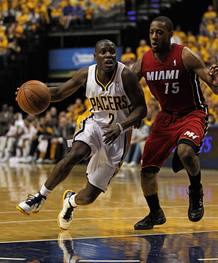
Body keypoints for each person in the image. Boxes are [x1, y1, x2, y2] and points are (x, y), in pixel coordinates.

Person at [16, 39, 147, 230]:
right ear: (95, 57)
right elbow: (59, 93)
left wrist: (121, 126)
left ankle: (71, 201)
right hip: (94, 123)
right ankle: (40, 196)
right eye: (103, 52)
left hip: (118, 133)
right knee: (75, 153)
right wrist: (27, 92)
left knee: (89, 196)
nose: (109, 55)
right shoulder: (86, 74)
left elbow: (141, 109)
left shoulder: (125, 76)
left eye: (112, 52)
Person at [132, 16, 218, 230]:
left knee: (185, 152)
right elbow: (126, 84)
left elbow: (213, 86)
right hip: (166, 116)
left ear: (170, 35)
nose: (154, 36)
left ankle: (195, 191)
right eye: (151, 31)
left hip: (192, 113)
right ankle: (155, 213)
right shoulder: (144, 61)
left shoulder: (185, 55)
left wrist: (216, 82)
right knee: (147, 171)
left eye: (159, 32)